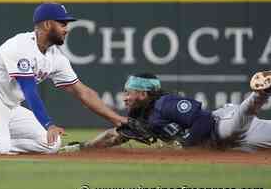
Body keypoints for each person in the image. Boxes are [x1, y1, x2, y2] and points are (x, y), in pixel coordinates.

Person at [0, 2, 127, 155]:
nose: (67, 28)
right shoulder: (20, 46)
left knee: (50, 144)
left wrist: (119, 120)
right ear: (47, 24)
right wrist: (48, 123)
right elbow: (29, 91)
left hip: (9, 106)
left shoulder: (56, 58)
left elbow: (83, 92)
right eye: (62, 23)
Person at [61, 71, 271, 153]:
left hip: (220, 125)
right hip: (235, 148)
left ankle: (261, 91)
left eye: (129, 92)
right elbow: (114, 136)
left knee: (240, 118)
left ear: (143, 94)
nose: (124, 97)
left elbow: (204, 120)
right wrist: (83, 147)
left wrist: (186, 146)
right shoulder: (139, 117)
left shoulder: (165, 103)